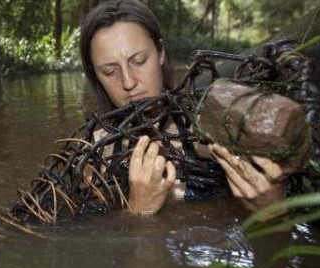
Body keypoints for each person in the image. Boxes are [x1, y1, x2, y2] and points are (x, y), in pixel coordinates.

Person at [80, 0, 294, 216]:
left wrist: (273, 209)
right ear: (95, 75)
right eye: (109, 71)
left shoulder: (215, 131)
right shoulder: (96, 153)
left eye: (139, 60)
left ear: (161, 52)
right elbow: (93, 238)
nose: (128, 82)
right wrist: (137, 211)